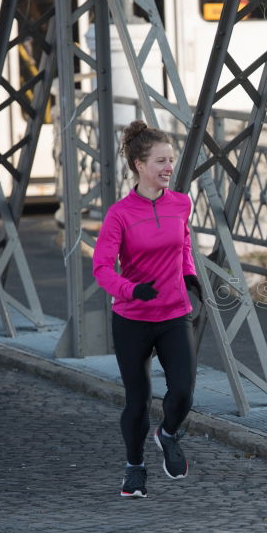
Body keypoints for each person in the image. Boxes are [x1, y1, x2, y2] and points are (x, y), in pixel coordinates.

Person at [93, 120, 204, 498]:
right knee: (137, 402)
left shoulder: (181, 203)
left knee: (184, 393)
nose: (169, 167)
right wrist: (130, 289)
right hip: (132, 319)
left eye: (171, 160)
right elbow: (102, 269)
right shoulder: (120, 215)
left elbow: (184, 243)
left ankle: (169, 434)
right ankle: (134, 468)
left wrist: (189, 275)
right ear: (140, 165)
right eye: (161, 161)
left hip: (174, 313)